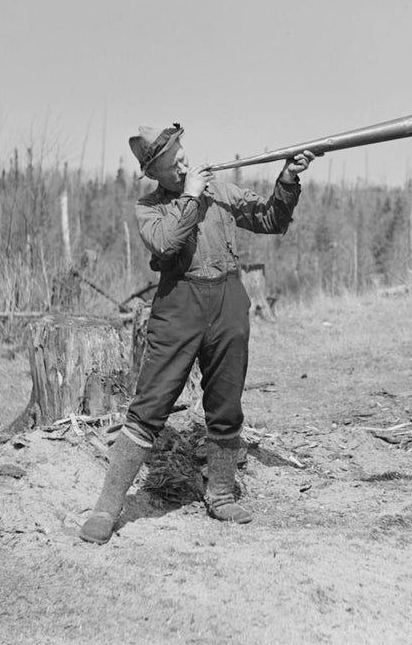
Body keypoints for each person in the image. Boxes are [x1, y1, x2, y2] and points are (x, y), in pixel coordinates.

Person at [79, 123, 315, 544]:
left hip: (227, 300)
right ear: (154, 173)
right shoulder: (148, 208)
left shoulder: (219, 191)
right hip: (179, 305)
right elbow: (167, 244)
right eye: (172, 164)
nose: (183, 165)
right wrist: (190, 195)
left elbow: (271, 219)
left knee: (226, 402)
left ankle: (220, 494)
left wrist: (288, 179)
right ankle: (106, 508)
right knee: (149, 406)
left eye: (182, 156)